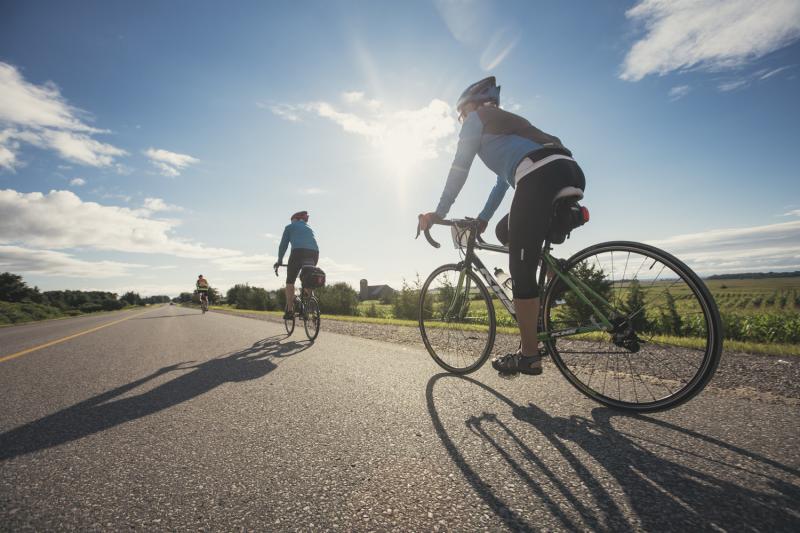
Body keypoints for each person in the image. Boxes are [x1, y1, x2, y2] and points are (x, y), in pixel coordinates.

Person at [418, 76, 586, 377]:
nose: (461, 120)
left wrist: (438, 212)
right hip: (567, 169)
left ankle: (530, 356)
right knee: (505, 231)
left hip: (539, 174)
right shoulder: (504, 126)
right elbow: (502, 183)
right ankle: (554, 275)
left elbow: (460, 167)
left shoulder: (477, 119)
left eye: (460, 114)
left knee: (520, 270)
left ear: (470, 105)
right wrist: (483, 218)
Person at [274, 211, 319, 320]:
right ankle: (310, 307)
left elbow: (283, 245)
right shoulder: (309, 228)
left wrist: (279, 260)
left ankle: (289, 311)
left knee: (290, 282)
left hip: (298, 252)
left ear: (296, 219)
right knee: (307, 278)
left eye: (292, 220)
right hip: (314, 253)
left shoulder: (290, 227)